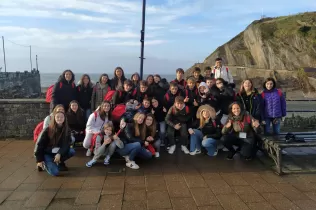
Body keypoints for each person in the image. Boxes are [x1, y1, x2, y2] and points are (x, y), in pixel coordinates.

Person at [35, 111, 75, 176]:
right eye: (57, 117)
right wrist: (39, 160)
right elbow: (40, 145)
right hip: (47, 153)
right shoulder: (47, 130)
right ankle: (44, 163)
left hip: (57, 151)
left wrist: (59, 153)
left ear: (65, 119)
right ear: (54, 118)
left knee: (71, 151)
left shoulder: (67, 130)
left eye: (62, 117)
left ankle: (58, 161)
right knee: (55, 172)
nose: (60, 118)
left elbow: (66, 144)